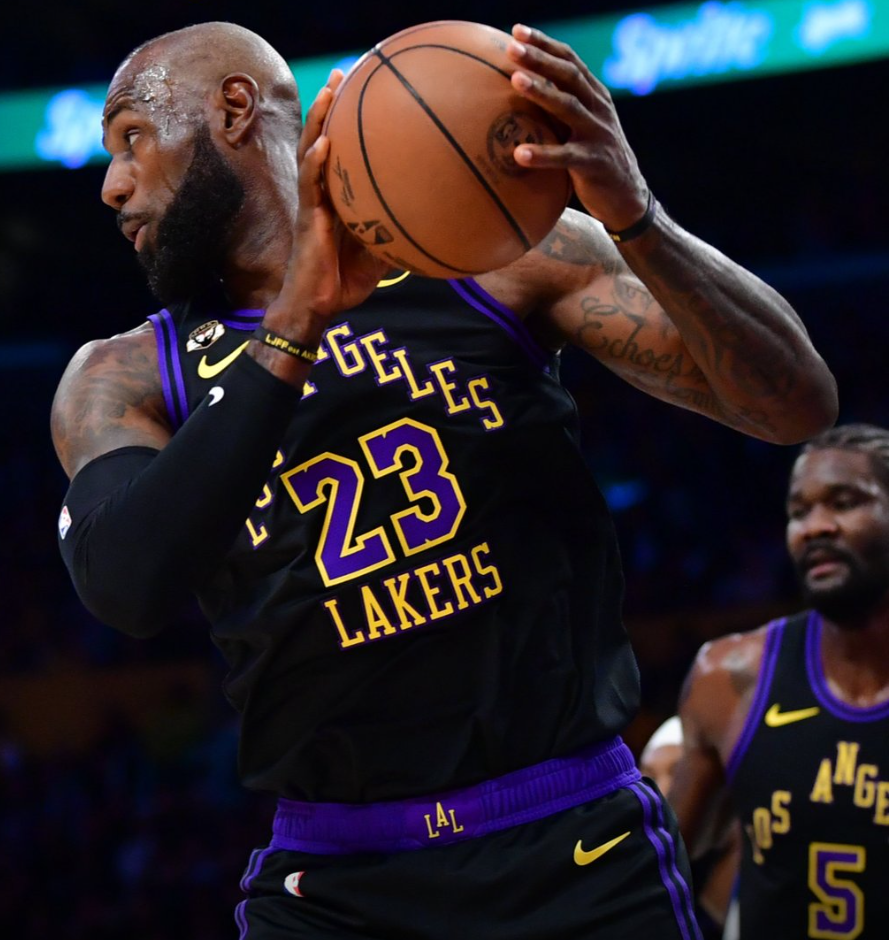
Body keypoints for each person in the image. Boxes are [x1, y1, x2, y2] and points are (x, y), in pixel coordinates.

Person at [51, 19, 837, 939]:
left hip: (575, 843)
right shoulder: (125, 377)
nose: (112, 186)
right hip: (339, 886)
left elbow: (795, 404)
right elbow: (127, 586)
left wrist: (638, 216)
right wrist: (295, 325)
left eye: (132, 139)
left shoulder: (486, 254)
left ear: (233, 110)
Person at [671, 423, 889, 939]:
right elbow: (658, 872)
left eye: (844, 503)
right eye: (799, 511)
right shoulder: (728, 675)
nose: (815, 527)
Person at [641, 717, 740, 940]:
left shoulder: (745, 872)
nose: (661, 791)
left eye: (676, 775)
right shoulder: (634, 872)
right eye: (650, 777)